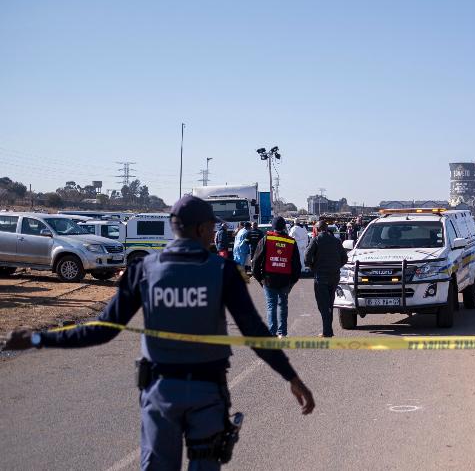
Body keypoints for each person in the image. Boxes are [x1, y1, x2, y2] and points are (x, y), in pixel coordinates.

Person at [1, 195, 314, 470]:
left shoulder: (144, 269)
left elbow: (101, 331)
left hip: (160, 393)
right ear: (201, 229)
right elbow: (255, 332)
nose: (216, 233)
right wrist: (291, 377)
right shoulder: (222, 271)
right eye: (212, 227)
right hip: (207, 394)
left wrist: (40, 339)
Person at [251, 216, 302, 337]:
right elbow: (297, 266)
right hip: (285, 279)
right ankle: (282, 333)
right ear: (284, 227)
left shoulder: (266, 239)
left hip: (269, 279)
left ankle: (272, 333)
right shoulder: (291, 241)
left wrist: (260, 279)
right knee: (283, 306)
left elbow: (256, 262)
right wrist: (292, 281)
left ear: (273, 227)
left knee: (271, 306)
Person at [304, 220, 348, 338]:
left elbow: (307, 258)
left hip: (321, 276)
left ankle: (327, 331)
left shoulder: (316, 240)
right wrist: (335, 266)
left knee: (323, 305)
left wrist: (313, 267)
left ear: (317, 229)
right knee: (329, 303)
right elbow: (345, 258)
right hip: (334, 276)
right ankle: (328, 330)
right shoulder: (336, 241)